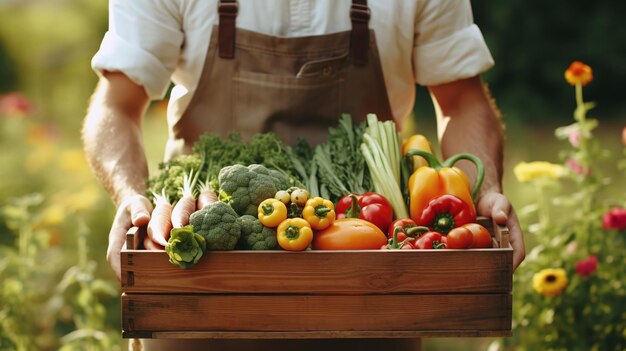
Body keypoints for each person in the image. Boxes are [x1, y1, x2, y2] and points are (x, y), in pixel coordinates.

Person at [82, 0, 525, 350]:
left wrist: (485, 191)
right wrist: (130, 196)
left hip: (370, 273)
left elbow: (462, 99)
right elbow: (116, 106)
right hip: (200, 275)